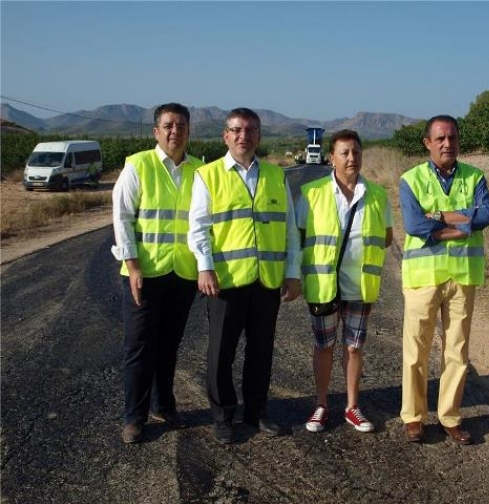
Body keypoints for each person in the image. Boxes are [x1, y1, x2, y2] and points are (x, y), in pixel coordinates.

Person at [187, 107, 302, 444]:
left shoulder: (275, 175)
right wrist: (204, 266)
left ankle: (257, 411)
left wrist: (292, 273)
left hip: (266, 280)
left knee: (261, 350)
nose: (243, 136)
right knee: (221, 351)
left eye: (250, 130)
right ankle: (223, 416)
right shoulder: (208, 175)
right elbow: (198, 228)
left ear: (259, 136)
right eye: (236, 130)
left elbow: (289, 230)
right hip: (226, 281)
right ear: (226, 135)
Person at [111, 102, 205, 444]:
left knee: (169, 345)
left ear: (188, 131)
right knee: (139, 346)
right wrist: (133, 266)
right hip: (144, 274)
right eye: (168, 125)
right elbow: (122, 218)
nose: (174, 131)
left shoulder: (200, 170)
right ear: (156, 131)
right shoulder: (138, 165)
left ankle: (164, 404)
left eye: (181, 125)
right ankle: (134, 417)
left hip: (182, 273)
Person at [399, 115, 489, 444]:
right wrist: (463, 223)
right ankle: (413, 417)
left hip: (462, 276)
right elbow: (413, 225)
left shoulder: (475, 176)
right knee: (416, 350)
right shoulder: (410, 179)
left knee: (457, 350)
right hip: (423, 277)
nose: (447, 143)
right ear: (427, 143)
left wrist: (439, 218)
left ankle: (450, 416)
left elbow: (486, 216)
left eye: (452, 137)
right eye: (439, 138)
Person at [295, 129, 393, 433]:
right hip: (324, 286)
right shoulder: (311, 194)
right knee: (324, 345)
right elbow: (297, 237)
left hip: (361, 285)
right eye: (345, 153)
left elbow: (387, 237)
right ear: (331, 158)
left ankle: (352, 407)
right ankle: (321, 405)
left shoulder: (376, 195)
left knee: (354, 347)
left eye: (357, 152)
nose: (352, 158)